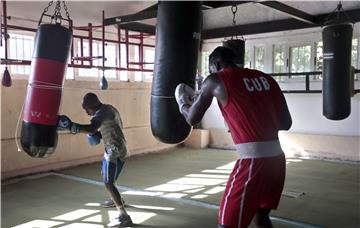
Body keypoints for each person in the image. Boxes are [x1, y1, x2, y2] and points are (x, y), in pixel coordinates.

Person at [175, 46, 292, 228]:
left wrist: (182, 102)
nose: (210, 73)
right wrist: (249, 119)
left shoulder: (215, 80)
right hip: (277, 161)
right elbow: (286, 123)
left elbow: (192, 118)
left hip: (253, 163)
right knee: (261, 217)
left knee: (227, 225)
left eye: (211, 69)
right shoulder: (266, 78)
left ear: (216, 63)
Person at [57, 92, 132, 227]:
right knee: (108, 177)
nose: (86, 112)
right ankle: (116, 199)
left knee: (108, 182)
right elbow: (112, 127)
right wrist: (98, 134)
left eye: (87, 109)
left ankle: (123, 215)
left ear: (93, 104)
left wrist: (71, 127)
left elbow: (91, 127)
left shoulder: (101, 114)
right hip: (120, 148)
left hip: (114, 151)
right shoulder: (110, 108)